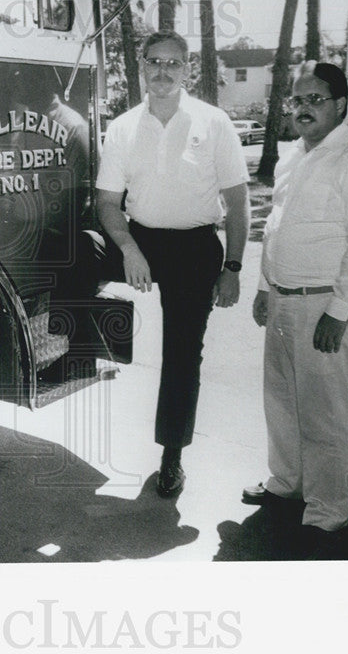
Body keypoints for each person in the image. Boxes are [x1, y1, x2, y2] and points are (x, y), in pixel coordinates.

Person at [96, 31, 250, 497]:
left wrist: (234, 267)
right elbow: (106, 203)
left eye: (173, 64)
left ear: (188, 70)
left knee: (183, 355)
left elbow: (238, 202)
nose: (162, 73)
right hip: (139, 240)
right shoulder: (122, 126)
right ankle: (66, 346)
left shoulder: (214, 121)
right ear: (141, 66)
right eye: (154, 63)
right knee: (79, 248)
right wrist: (129, 249)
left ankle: (172, 457)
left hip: (193, 247)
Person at [242, 61, 348, 546]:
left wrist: (340, 311)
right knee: (281, 400)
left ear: (340, 105)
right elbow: (276, 229)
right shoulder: (291, 157)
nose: (303, 109)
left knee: (325, 411)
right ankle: (287, 483)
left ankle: (327, 510)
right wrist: (265, 287)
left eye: (315, 100)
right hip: (283, 302)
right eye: (298, 100)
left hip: (322, 306)